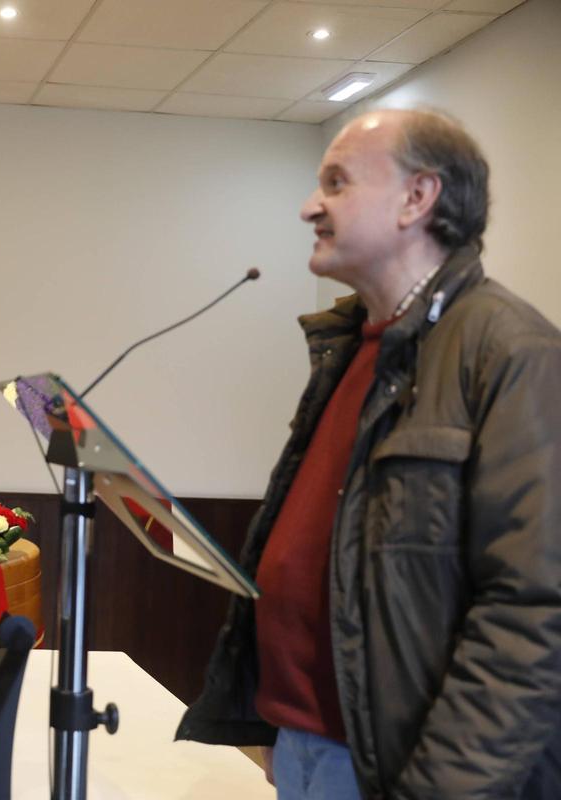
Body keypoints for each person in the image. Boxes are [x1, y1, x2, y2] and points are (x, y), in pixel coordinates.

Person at [176, 108, 561, 799]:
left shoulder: (513, 353)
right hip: (306, 745)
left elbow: (535, 612)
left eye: (336, 182)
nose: (309, 206)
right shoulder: (354, 345)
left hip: (407, 770)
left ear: (418, 198)